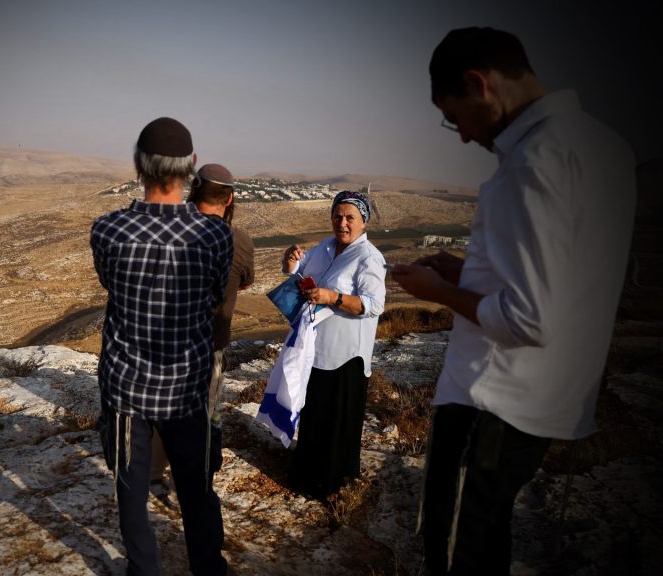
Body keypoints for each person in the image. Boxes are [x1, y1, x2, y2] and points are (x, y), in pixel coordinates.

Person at [392, 27, 637, 574]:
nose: (461, 136)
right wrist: (467, 271)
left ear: (478, 84)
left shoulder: (532, 162)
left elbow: (529, 318)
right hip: (543, 400)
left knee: (455, 552)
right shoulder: (603, 146)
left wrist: (439, 292)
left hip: (489, 403)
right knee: (486, 541)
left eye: (454, 117)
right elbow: (561, 280)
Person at [91, 117, 232, 575]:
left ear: (139, 164)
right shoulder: (215, 235)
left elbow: (111, 285)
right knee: (196, 490)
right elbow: (215, 296)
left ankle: (143, 569)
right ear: (191, 166)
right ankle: (208, 567)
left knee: (131, 494)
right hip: (187, 389)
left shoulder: (108, 230)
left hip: (126, 388)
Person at [150, 163, 255, 488]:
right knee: (206, 411)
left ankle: (153, 472)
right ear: (229, 199)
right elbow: (245, 280)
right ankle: (196, 478)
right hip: (210, 343)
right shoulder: (239, 241)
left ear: (193, 192)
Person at [280, 190, 386, 499]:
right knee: (315, 416)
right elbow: (301, 275)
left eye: (350, 218)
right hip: (316, 348)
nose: (343, 223)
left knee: (338, 423)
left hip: (347, 355)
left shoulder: (369, 258)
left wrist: (333, 297)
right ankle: (305, 478)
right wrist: (291, 263)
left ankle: (333, 486)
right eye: (337, 217)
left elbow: (374, 305)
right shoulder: (324, 248)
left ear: (363, 221)